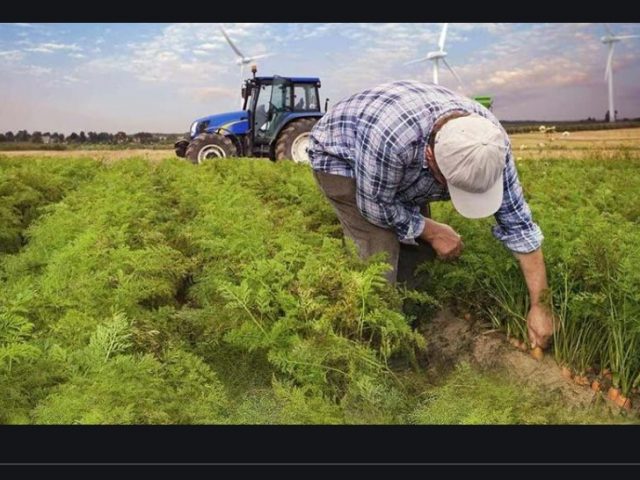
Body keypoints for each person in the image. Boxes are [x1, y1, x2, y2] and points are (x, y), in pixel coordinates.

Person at [308, 80, 554, 350]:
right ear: (430, 157)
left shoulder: (490, 144)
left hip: (398, 161)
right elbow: (375, 207)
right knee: (378, 256)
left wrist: (541, 305)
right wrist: (434, 230)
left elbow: (520, 226)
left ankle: (417, 325)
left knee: (418, 250)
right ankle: (377, 345)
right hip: (342, 158)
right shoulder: (392, 140)